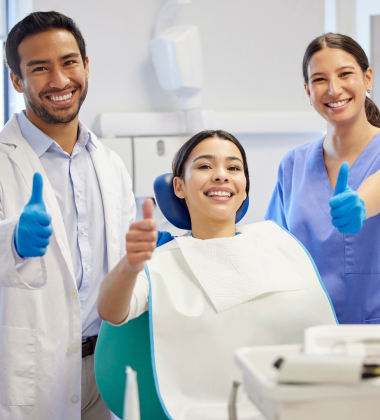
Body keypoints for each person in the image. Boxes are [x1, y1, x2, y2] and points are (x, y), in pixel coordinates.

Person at [98, 130, 337, 419]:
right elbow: (113, 312)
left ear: (245, 187)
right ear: (179, 186)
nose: (221, 175)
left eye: (234, 167)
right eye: (204, 166)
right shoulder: (161, 263)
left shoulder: (280, 243)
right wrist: (130, 266)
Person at [0, 11, 135, 420]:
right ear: (17, 81)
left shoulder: (111, 164)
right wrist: (12, 242)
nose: (59, 81)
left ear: (87, 66)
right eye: (39, 69)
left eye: (69, 62)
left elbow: (121, 271)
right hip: (30, 371)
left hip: (105, 366)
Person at [265, 33, 380, 325]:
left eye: (345, 74)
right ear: (307, 91)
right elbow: (270, 249)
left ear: (367, 78)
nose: (333, 89)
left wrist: (361, 203)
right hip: (307, 336)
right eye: (319, 80)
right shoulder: (294, 164)